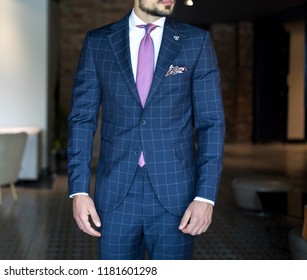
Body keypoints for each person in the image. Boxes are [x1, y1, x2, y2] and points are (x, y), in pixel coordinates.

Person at [67, 0, 225, 260]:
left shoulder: (195, 41)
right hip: (115, 193)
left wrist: (205, 196)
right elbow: (82, 120)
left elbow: (211, 124)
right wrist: (80, 191)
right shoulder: (99, 42)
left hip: (176, 196)